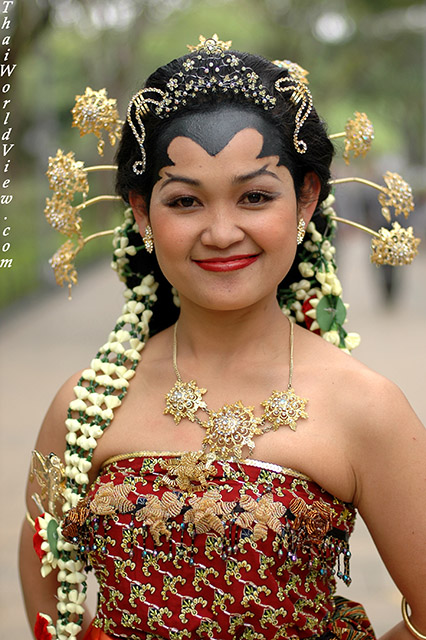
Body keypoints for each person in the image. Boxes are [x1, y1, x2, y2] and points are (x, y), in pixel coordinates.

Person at [19, 35, 426, 640]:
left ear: (306, 199)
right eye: (185, 201)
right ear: (139, 213)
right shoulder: (82, 408)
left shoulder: (365, 407)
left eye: (255, 196)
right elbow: (53, 613)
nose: (220, 231)